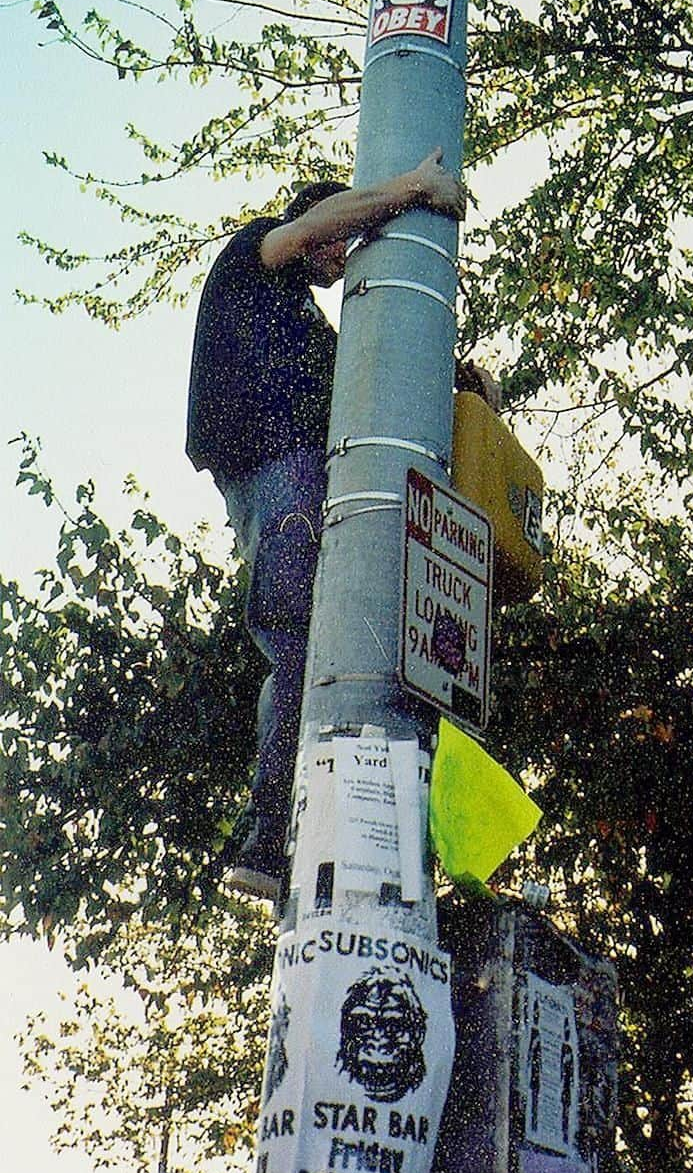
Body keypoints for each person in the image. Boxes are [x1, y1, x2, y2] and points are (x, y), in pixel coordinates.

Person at [186, 149, 485, 900]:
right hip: (275, 471)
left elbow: (372, 371)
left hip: (288, 478)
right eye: (335, 249)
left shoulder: (305, 332)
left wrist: (461, 384)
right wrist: (413, 188)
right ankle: (265, 840)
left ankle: (303, 833)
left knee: (318, 643)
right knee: (293, 641)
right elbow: (315, 227)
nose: (337, 264)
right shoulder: (256, 259)